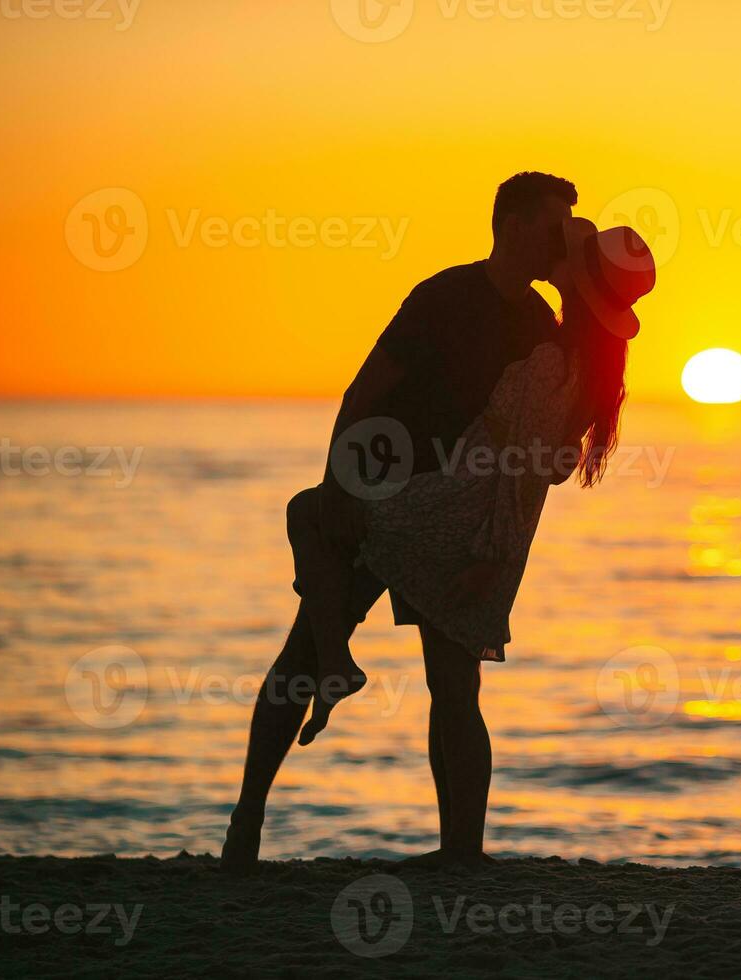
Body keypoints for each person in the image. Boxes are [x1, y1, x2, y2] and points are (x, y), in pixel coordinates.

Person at [220, 173, 589, 873]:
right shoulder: (443, 298)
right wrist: (338, 480)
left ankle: (461, 852)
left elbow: (541, 454)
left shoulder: (542, 326)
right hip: (381, 497)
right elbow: (367, 389)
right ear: (511, 226)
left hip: (454, 524)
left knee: (454, 685)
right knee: (302, 658)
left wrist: (498, 543)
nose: (559, 241)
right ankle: (247, 820)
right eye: (551, 226)